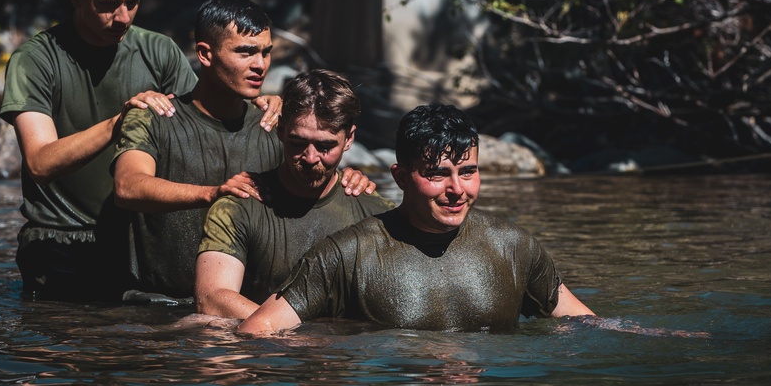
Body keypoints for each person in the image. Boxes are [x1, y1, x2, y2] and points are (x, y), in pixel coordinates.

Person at [0, 0, 276, 302]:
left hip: (132, 245)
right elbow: (40, 162)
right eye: (107, 4)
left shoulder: (157, 50)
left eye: (133, 2)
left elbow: (199, 123)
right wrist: (120, 121)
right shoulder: (35, 59)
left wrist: (263, 104)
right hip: (60, 241)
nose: (123, 17)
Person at [238, 102, 595, 335]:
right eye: (437, 174)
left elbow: (587, 326)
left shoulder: (514, 247)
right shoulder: (346, 254)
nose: (457, 189)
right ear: (401, 177)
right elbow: (255, 332)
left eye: (468, 172)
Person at [112, 0, 375, 301]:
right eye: (245, 52)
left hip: (241, 314)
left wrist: (348, 182)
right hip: (155, 309)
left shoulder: (272, 124)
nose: (260, 64)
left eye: (266, 51)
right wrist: (213, 194)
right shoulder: (153, 117)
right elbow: (127, 187)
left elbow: (309, 173)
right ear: (205, 54)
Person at [194, 69, 394, 318]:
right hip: (262, 349)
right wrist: (289, 336)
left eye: (325, 146)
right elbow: (212, 299)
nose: (310, 158)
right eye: (298, 143)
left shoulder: (378, 215)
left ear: (349, 139)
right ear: (280, 131)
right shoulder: (239, 207)